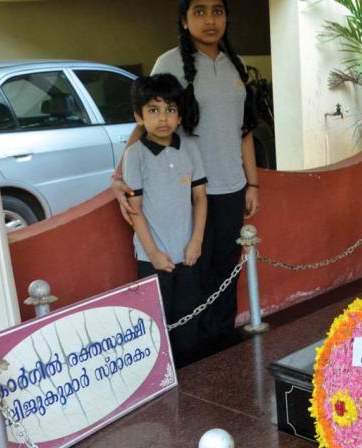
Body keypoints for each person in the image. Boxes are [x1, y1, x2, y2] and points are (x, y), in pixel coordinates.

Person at [112, 0, 260, 346]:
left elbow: (245, 130)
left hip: (230, 186)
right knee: (194, 270)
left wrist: (252, 183)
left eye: (218, 11)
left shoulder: (235, 66)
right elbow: (147, 121)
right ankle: (196, 351)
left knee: (225, 268)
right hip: (185, 192)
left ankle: (221, 341)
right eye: (200, 11)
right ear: (184, 20)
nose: (210, 20)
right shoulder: (169, 63)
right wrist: (119, 176)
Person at [124, 74, 207, 366]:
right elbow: (135, 209)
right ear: (139, 116)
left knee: (188, 325)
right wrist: (155, 254)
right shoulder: (135, 156)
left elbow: (200, 198)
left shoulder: (190, 149)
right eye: (153, 110)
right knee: (157, 327)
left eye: (170, 109)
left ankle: (193, 384)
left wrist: (196, 241)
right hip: (152, 258)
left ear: (180, 115)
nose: (163, 118)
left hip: (188, 254)